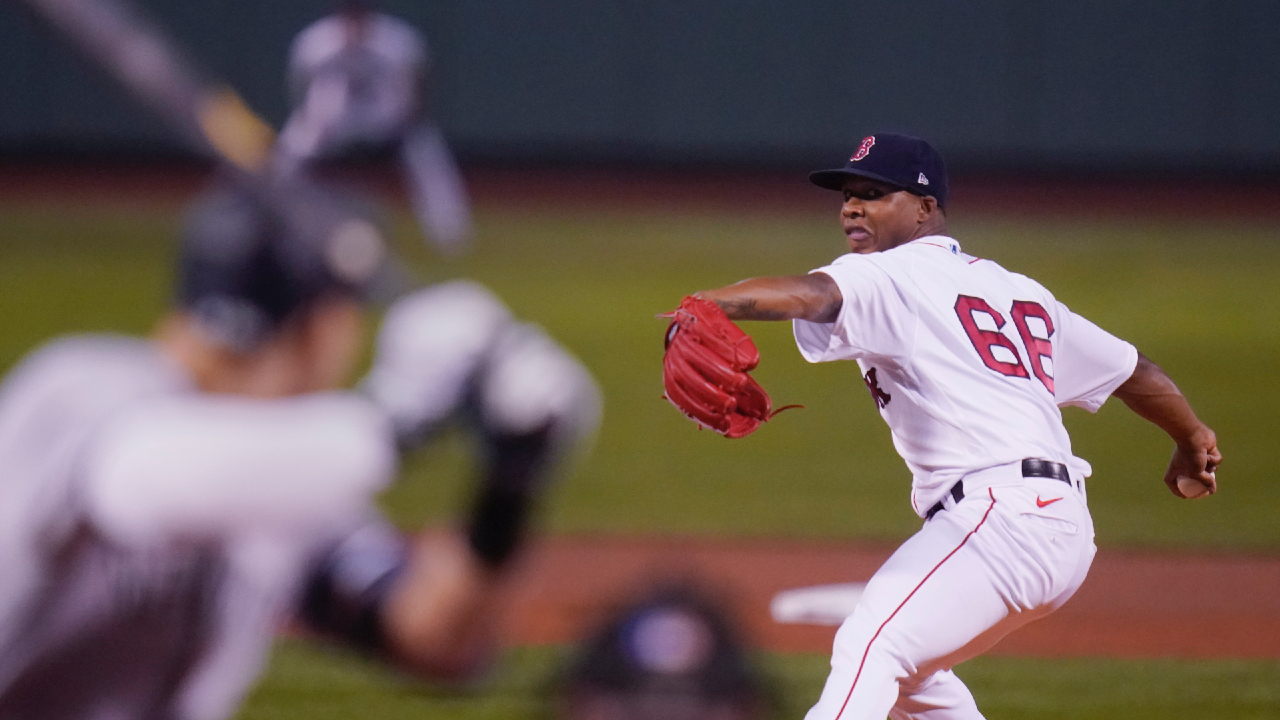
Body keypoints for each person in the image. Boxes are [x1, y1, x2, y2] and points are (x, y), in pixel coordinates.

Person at [0, 176, 599, 719]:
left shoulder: (291, 483)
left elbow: (434, 640)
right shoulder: (77, 390)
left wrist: (511, 476)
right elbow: (146, 482)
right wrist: (398, 413)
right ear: (319, 326)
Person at [674, 133, 1221, 719]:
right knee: (914, 679)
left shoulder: (894, 275)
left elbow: (811, 295)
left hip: (1001, 520)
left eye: (875, 193)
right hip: (1052, 526)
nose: (852, 207)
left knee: (871, 647)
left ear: (925, 209)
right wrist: (1191, 438)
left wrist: (701, 304)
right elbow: (1134, 370)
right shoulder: (1016, 290)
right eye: (848, 195)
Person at [274, 1, 473, 255]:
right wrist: (312, 120)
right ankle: (275, 225)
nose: (355, 19)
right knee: (285, 154)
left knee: (426, 151)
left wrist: (408, 118)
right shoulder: (315, 42)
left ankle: (450, 235)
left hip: (386, 123)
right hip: (332, 124)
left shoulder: (397, 41)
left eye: (360, 12)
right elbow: (301, 89)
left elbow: (420, 83)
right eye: (350, 12)